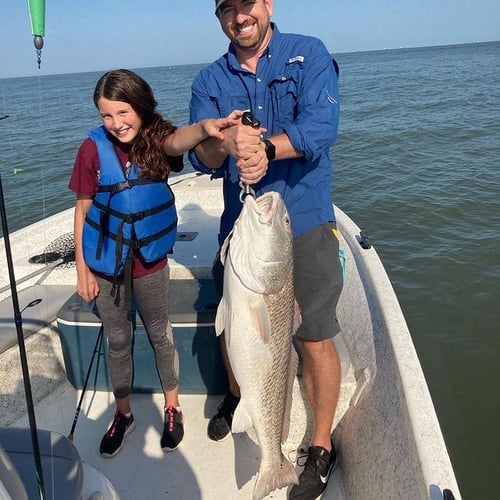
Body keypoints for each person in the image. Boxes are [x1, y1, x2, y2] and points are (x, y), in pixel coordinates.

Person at [188, 1, 343, 498]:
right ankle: (243, 401)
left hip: (305, 219)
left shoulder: (308, 54)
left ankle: (319, 444)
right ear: (219, 17)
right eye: (227, 8)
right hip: (243, 230)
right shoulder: (209, 81)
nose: (240, 16)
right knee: (236, 332)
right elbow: (202, 156)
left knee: (315, 336)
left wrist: (266, 147)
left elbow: (323, 126)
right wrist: (227, 142)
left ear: (267, 6)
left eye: (247, 4)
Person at [69, 68, 239, 458]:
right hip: (106, 265)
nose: (116, 124)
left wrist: (206, 128)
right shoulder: (92, 149)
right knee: (118, 341)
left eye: (123, 113)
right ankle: (124, 414)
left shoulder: (156, 138)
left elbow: (179, 142)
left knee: (161, 334)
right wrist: (83, 267)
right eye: (106, 116)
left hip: (150, 262)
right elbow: (82, 209)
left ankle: (173, 407)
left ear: (141, 107)